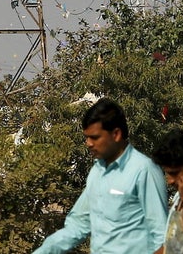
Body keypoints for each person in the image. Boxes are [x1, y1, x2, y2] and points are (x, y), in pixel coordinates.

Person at [33, 99, 168, 254]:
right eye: (86, 137)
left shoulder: (144, 170)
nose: (88, 143)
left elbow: (162, 238)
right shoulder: (97, 171)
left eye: (95, 137)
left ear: (116, 134)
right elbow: (78, 226)